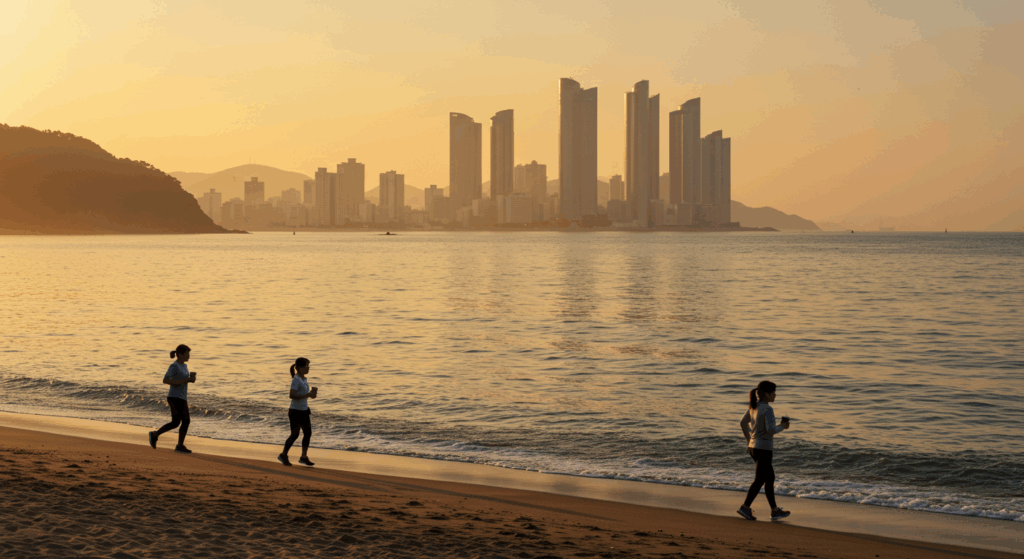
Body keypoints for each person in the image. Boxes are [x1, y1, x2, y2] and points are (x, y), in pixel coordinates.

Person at [737, 380, 791, 521]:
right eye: (773, 392)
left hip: (753, 447)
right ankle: (745, 507)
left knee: (769, 478)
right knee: (760, 479)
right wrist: (783, 426)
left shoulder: (753, 406)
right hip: (763, 449)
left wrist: (749, 441)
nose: (775, 395)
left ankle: (774, 510)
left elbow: (742, 423)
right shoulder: (767, 409)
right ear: (767, 394)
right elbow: (770, 430)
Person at [149, 344, 197, 454]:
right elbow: (165, 380)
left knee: (179, 422)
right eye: (187, 354)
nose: (188, 356)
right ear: (180, 354)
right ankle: (178, 445)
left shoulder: (184, 366)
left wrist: (191, 379)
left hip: (182, 397)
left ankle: (156, 435)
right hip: (174, 397)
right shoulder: (174, 366)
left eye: (189, 354)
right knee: (181, 421)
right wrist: (183, 381)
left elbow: (184, 380)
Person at [278, 357, 317, 467]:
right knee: (295, 434)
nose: (308, 368)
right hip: (295, 411)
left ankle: (303, 457)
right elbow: (292, 395)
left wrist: (311, 394)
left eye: (309, 366)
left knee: (308, 433)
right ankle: (283, 455)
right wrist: (308, 394)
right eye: (307, 366)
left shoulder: (304, 379)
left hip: (304, 410)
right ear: (299, 368)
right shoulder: (296, 379)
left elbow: (302, 395)